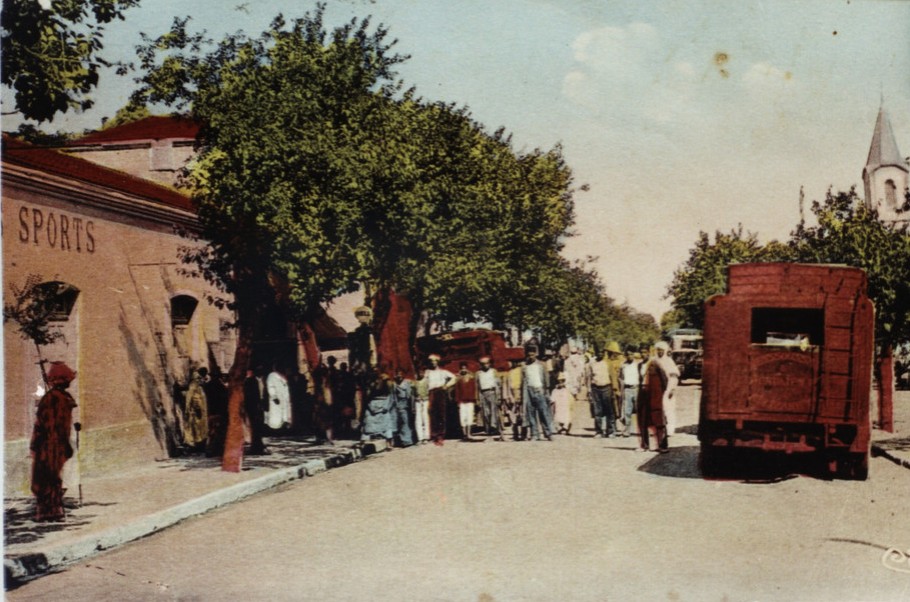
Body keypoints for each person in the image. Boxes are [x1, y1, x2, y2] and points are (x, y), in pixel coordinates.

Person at [30, 361, 78, 521]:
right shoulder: (65, 399)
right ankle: (54, 511)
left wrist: (34, 445)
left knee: (43, 477)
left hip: (47, 444)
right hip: (59, 444)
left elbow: (41, 425)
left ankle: (46, 512)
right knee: (53, 477)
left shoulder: (49, 399)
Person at [637, 342, 670, 453]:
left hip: (655, 395)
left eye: (645, 352)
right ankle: (644, 445)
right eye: (641, 352)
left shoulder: (655, 363)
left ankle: (662, 445)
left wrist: (660, 394)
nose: (643, 355)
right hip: (643, 394)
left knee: (658, 419)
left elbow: (664, 379)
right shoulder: (640, 365)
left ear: (649, 352)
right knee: (642, 419)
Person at [522, 346, 554, 441]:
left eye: (533, 354)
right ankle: (534, 434)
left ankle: (548, 433)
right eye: (529, 355)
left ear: (536, 354)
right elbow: (523, 380)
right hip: (529, 390)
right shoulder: (525, 366)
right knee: (531, 413)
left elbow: (546, 379)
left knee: (543, 412)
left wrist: (547, 391)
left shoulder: (542, 365)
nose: (531, 356)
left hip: (540, 390)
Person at [425, 354, 456, 446]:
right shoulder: (427, 372)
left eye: (435, 361)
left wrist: (446, 386)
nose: (433, 363)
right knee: (432, 413)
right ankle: (434, 435)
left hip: (440, 392)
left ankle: (441, 436)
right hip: (431, 392)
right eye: (431, 361)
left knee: (441, 414)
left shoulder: (443, 372)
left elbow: (454, 378)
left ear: (437, 362)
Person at [585, 348, 616, 438]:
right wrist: (589, 390)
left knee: (609, 410)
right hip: (595, 389)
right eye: (598, 353)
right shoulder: (592, 363)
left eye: (602, 353)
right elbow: (588, 377)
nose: (600, 354)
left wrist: (614, 389)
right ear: (596, 353)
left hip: (606, 388)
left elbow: (612, 376)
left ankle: (610, 431)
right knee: (597, 411)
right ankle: (598, 431)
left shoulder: (608, 363)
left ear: (604, 353)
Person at [654, 341, 681, 437]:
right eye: (658, 350)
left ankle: (670, 429)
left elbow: (674, 376)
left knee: (668, 409)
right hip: (658, 388)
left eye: (661, 350)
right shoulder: (655, 360)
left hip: (668, 388)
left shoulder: (669, 361)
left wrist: (672, 389)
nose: (659, 352)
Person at [242, 365, 270, 455]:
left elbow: (265, 394)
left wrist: (264, 405)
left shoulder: (262, 380)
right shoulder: (250, 381)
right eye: (259, 370)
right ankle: (256, 446)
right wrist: (254, 405)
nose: (260, 372)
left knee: (259, 426)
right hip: (253, 407)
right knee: (254, 426)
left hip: (260, 406)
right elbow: (248, 396)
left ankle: (259, 445)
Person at [361, 373, 394, 446]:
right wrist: (370, 407)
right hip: (372, 406)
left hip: (384, 404)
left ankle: (388, 443)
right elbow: (367, 397)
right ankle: (363, 443)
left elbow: (390, 396)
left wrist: (386, 406)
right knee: (368, 423)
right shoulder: (371, 385)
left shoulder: (388, 385)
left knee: (387, 425)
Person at [475, 356, 503, 440]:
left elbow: (498, 384)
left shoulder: (493, 371)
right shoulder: (478, 373)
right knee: (485, 413)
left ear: (489, 364)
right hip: (483, 393)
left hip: (492, 392)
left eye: (487, 363)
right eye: (483, 364)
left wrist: (498, 396)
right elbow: (477, 387)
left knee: (494, 412)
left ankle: (497, 429)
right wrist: (477, 398)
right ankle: (488, 430)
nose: (485, 365)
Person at [203, 368, 229, 457]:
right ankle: (215, 450)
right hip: (220, 412)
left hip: (210, 411)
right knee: (218, 432)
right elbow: (225, 399)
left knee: (211, 432)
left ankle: (210, 450)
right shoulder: (221, 386)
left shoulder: (207, 386)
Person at [183, 367, 209, 452]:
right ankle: (196, 445)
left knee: (200, 427)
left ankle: (200, 444)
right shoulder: (194, 384)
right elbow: (189, 397)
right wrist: (187, 409)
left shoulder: (199, 384)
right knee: (196, 427)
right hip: (196, 409)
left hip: (201, 409)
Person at [389, 369, 415, 447]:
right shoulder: (394, 384)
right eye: (397, 374)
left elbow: (410, 396)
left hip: (405, 404)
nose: (399, 376)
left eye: (400, 374)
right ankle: (400, 440)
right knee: (398, 422)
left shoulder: (407, 383)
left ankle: (407, 440)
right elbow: (393, 396)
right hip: (397, 405)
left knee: (405, 422)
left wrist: (411, 406)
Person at [619, 348, 641, 437]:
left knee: (639, 410)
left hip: (636, 388)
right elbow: (620, 377)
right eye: (628, 355)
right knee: (627, 411)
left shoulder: (637, 365)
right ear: (625, 356)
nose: (630, 356)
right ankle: (627, 430)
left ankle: (641, 431)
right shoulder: (623, 366)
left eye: (632, 354)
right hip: (627, 389)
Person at [266, 364, 293, 431]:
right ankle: (275, 429)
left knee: (285, 414)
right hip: (277, 399)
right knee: (276, 415)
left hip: (285, 398)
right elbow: (270, 386)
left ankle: (285, 427)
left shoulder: (283, 376)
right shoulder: (272, 375)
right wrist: (274, 396)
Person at [454, 363, 477, 441]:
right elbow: (457, 391)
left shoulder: (471, 378)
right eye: (462, 368)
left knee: (469, 417)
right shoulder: (458, 379)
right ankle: (464, 434)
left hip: (470, 401)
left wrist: (475, 399)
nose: (463, 370)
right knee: (462, 417)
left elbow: (474, 389)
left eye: (465, 368)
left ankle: (469, 433)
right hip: (462, 401)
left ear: (467, 369)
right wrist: (457, 401)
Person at [606, 341, 624, 433]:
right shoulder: (606, 362)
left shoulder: (620, 362)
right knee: (611, 405)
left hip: (618, 384)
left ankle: (619, 421)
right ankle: (612, 424)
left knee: (619, 404)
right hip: (609, 385)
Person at [414, 369, 431, 444]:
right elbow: (413, 393)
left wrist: (426, 398)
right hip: (417, 401)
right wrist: (416, 398)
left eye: (422, 372)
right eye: (419, 372)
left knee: (425, 418)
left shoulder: (427, 381)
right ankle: (420, 438)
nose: (420, 374)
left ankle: (426, 437)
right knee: (418, 419)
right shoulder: (415, 382)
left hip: (425, 401)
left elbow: (429, 391)